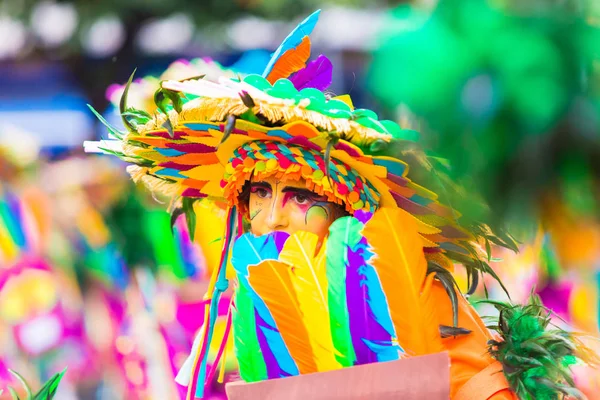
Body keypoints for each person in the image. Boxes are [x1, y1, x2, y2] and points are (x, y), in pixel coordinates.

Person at [87, 10, 592, 400]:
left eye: (301, 195)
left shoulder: (409, 289)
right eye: (258, 193)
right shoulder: (234, 308)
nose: (274, 215)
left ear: (347, 209)